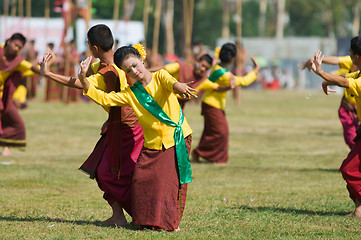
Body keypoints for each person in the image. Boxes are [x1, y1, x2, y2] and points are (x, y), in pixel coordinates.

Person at [78, 44, 195, 231]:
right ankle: (147, 220)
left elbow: (172, 83)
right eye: (128, 70)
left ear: (142, 60)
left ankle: (171, 224)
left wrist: (179, 86)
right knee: (140, 180)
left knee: (168, 184)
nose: (134, 71)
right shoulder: (132, 94)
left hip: (175, 139)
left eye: (135, 65)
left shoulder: (160, 76)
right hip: (153, 144)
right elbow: (104, 99)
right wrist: (83, 78)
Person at [41, 24, 144, 226]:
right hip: (128, 125)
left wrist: (48, 74)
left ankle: (140, 214)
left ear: (94, 48)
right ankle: (119, 216)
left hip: (125, 130)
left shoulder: (106, 72)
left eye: (88, 44)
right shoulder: (123, 61)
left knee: (110, 172)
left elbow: (80, 84)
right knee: (104, 169)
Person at [310, 36, 361, 217]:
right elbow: (344, 77)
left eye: (350, 52)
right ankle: (359, 209)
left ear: (355, 57)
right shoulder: (358, 74)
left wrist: (320, 73)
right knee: (351, 168)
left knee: (350, 169)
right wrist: (326, 81)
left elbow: (346, 82)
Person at [192, 42, 260, 164]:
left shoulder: (217, 66)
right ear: (233, 58)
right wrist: (255, 70)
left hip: (212, 104)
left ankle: (205, 155)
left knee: (210, 131)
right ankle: (205, 154)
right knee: (221, 132)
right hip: (212, 104)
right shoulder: (224, 74)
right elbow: (243, 81)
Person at [300, 55, 359, 149]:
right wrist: (315, 61)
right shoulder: (352, 60)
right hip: (349, 108)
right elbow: (338, 65)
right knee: (351, 140)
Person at [0, 33, 40, 156]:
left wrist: (47, 67)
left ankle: (6, 147)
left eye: (19, 48)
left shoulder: (17, 61)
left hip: (2, 96)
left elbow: (33, 69)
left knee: (17, 123)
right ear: (9, 41)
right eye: (16, 45)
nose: (17, 49)